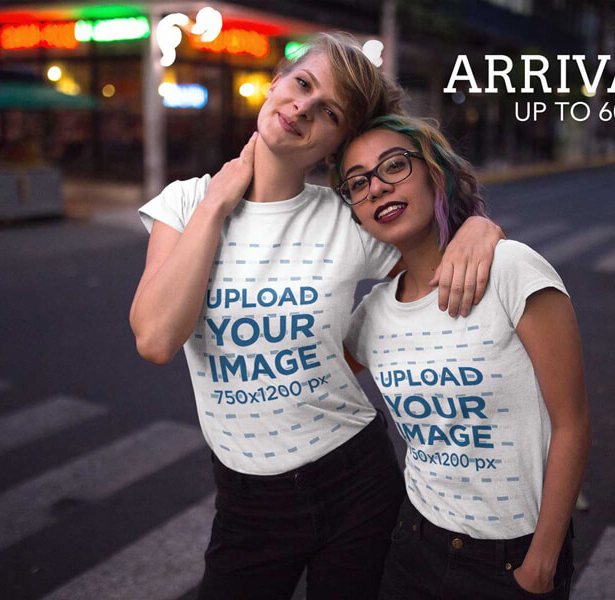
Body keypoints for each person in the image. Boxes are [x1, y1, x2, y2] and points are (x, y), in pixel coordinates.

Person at [130, 33, 505, 600]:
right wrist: (216, 206)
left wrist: (480, 225)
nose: (303, 107)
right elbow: (157, 338)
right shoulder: (185, 203)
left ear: (336, 144)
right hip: (247, 501)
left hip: (355, 480)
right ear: (277, 82)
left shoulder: (346, 219)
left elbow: (445, 236)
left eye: (328, 111)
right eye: (302, 84)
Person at [340, 115, 592, 600]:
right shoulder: (373, 314)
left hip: (509, 562)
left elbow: (573, 423)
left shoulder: (511, 269)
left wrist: (540, 563)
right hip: (413, 546)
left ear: (437, 174)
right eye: (357, 183)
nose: (375, 188)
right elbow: (317, 378)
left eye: (394, 166)